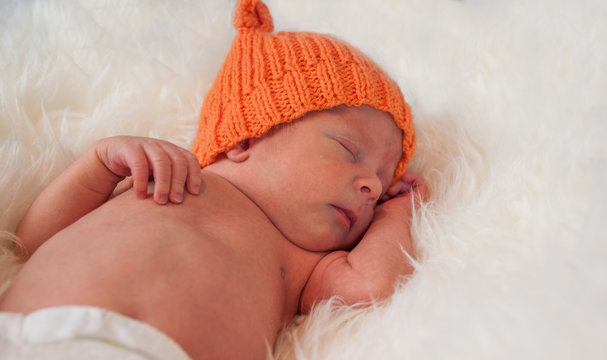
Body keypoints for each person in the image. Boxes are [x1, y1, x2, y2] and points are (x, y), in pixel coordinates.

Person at [0, 0, 426, 359]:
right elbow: (34, 242)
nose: (371, 185)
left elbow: (369, 286)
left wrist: (396, 213)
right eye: (350, 151)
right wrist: (99, 163)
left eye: (382, 181)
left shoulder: (304, 262)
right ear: (248, 136)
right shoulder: (166, 174)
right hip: (34, 335)